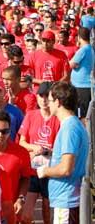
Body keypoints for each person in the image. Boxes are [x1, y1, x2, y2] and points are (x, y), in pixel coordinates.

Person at [37, 82, 89, 223]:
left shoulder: (69, 128)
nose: (48, 103)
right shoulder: (73, 125)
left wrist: (44, 171)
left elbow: (66, 169)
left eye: (50, 100)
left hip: (65, 200)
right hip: (66, 199)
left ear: (58, 102)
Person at [18, 82, 60, 224]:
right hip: (33, 170)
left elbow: (62, 148)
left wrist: (48, 151)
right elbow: (21, 142)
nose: (44, 100)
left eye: (47, 97)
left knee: (47, 210)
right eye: (41, 96)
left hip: (50, 169)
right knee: (27, 214)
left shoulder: (58, 118)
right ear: (36, 98)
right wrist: (33, 147)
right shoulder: (30, 115)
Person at [0, 110, 34, 222]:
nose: (0, 135)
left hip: (8, 213)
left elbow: (26, 177)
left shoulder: (21, 153)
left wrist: (20, 199)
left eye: (5, 131)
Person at [68, 27, 93, 122]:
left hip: (81, 86)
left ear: (79, 37)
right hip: (84, 86)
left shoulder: (83, 50)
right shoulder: (89, 49)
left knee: (81, 114)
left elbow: (71, 64)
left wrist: (72, 63)